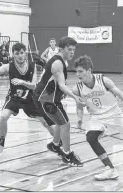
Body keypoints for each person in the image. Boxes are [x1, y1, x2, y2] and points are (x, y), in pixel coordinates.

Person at [72, 55, 123, 180]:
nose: (77, 74)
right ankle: (110, 169)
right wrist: (79, 119)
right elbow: (79, 107)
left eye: (80, 71)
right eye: (76, 71)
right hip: (97, 117)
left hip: (114, 113)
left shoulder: (104, 81)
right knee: (91, 138)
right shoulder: (77, 89)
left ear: (89, 70)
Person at [0, 42, 56, 153]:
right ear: (13, 54)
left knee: (46, 122)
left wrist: (22, 82)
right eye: (17, 53)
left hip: (30, 99)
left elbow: (33, 86)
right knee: (3, 117)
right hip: (14, 98)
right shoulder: (8, 66)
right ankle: (1, 143)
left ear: (25, 53)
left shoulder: (32, 66)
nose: (20, 55)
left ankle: (58, 143)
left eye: (22, 53)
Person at [33, 36, 84, 166]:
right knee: (65, 124)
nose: (72, 52)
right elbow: (61, 85)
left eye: (73, 50)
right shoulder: (57, 63)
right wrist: (75, 98)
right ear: (61, 49)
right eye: (69, 49)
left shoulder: (62, 61)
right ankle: (67, 155)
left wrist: (62, 95)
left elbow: (57, 84)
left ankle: (55, 145)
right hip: (44, 100)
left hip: (51, 98)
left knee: (61, 122)